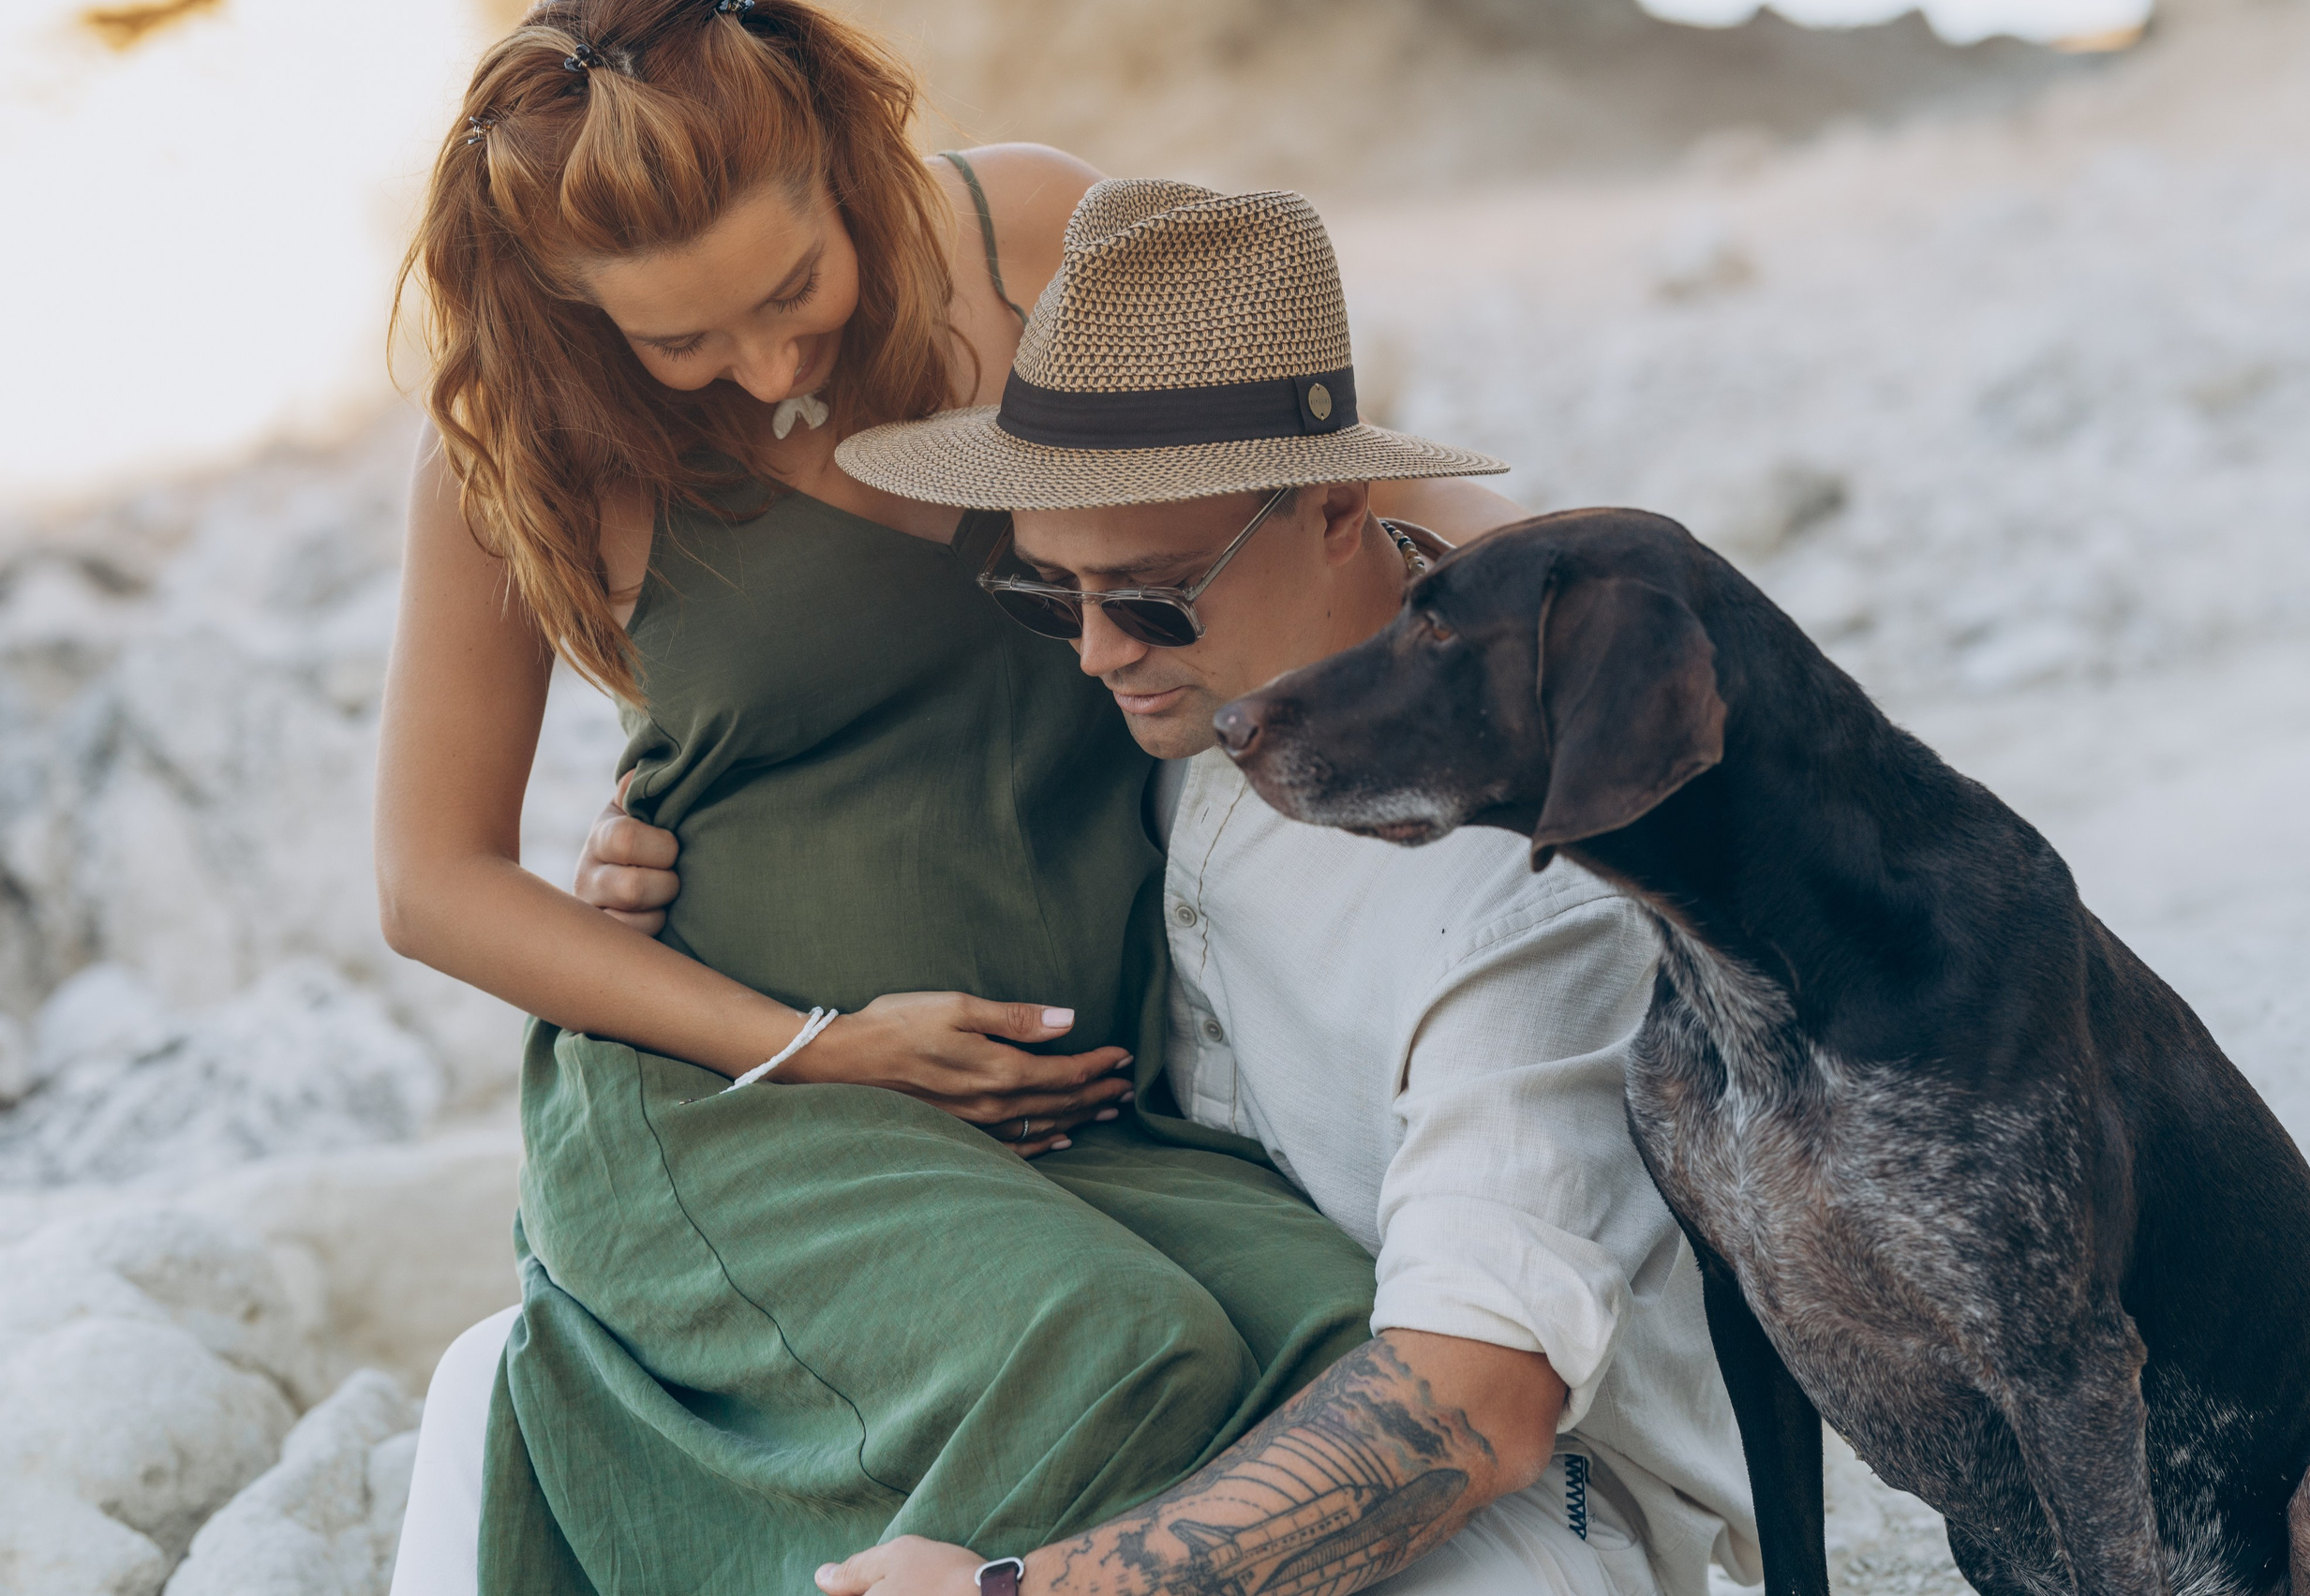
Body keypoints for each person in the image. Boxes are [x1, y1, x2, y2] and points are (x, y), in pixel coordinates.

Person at [375, 2, 1519, 1590]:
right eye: (682, 341)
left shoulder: (1028, 238)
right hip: (744, 1109)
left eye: (793, 290)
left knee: (1348, 1349)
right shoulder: (528, 444)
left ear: (844, 159)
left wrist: (1597, 592)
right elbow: (431, 881)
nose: (769, 363)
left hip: (1071, 1107)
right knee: (1108, 1349)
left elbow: (1327, 478)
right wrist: (826, 1047)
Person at [575, 178, 1764, 1596]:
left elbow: (1474, 1404)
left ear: (1336, 506)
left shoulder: (1530, 874)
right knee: (560, 1388)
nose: (1092, 654)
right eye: (1045, 597)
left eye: (1146, 598)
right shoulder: (1186, 690)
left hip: (1518, 1495)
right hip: (1216, 1346)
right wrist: (658, 848)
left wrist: (1028, 1591)